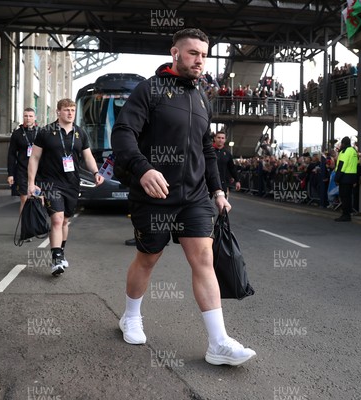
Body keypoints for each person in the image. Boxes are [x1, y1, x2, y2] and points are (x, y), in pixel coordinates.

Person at [111, 28, 256, 366]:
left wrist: (217, 190)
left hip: (194, 197)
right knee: (148, 258)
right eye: (192, 53)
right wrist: (143, 169)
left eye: (204, 54)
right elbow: (123, 133)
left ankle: (218, 343)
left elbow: (207, 149)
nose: (199, 60)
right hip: (154, 194)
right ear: (175, 53)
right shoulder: (149, 90)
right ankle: (130, 315)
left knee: (204, 260)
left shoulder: (202, 97)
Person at [27, 98, 104, 276]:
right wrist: (31, 183)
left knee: (65, 221)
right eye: (67, 110)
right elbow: (34, 158)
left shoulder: (80, 133)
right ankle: (56, 259)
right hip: (51, 182)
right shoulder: (46, 132)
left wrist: (95, 172)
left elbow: (88, 157)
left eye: (72, 110)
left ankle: (61, 252)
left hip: (72, 183)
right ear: (58, 112)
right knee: (56, 219)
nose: (70, 113)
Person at [7, 108, 38, 213]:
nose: (28, 118)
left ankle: (38, 226)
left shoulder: (41, 132)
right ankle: (25, 226)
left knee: (39, 199)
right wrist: (10, 174)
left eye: (30, 116)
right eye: (26, 116)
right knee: (24, 199)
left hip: (39, 171)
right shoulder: (17, 134)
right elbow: (11, 154)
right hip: (22, 171)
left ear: (35, 118)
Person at [334, 136, 358, 222]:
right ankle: (348, 213)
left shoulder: (344, 151)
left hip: (344, 177)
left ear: (343, 143)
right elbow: (356, 165)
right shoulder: (353, 151)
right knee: (348, 197)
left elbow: (341, 165)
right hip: (352, 176)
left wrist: (336, 178)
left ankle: (345, 215)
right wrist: (355, 179)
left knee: (344, 197)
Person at [213, 131, 241, 197]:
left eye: (222, 138)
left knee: (223, 205)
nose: (220, 140)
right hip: (209, 183)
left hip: (223, 183)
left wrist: (237, 180)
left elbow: (232, 168)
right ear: (214, 138)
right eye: (218, 137)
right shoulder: (209, 151)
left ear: (225, 140)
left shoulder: (227, 154)